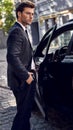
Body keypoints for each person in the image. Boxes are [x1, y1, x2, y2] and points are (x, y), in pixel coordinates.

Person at [6, 1, 36, 130]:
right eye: (28, 13)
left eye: (32, 14)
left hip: (24, 78)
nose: (31, 17)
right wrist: (26, 76)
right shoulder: (17, 31)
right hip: (22, 80)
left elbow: (23, 53)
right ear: (19, 14)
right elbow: (12, 56)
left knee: (25, 113)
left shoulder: (22, 30)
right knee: (23, 114)